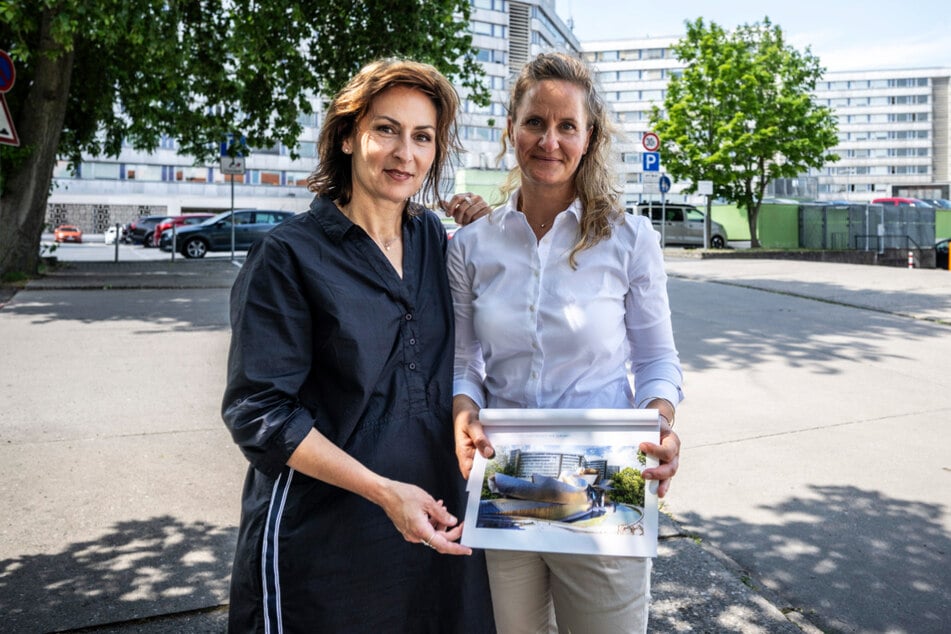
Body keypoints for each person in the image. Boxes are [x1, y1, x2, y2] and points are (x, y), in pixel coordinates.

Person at [222, 58, 494, 633]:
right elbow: (259, 413)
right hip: (325, 544)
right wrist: (382, 492)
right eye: (387, 130)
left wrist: (491, 230)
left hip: (434, 526)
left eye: (423, 137)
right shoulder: (288, 255)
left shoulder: (435, 243)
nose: (406, 154)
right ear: (348, 136)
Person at [448, 52, 684, 633]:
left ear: (589, 136)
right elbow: (465, 360)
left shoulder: (630, 239)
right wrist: (463, 408)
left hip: (606, 485)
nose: (548, 140)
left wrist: (659, 423)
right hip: (508, 483)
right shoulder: (471, 246)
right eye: (534, 122)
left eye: (567, 126)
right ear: (511, 128)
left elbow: (657, 360)